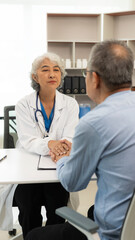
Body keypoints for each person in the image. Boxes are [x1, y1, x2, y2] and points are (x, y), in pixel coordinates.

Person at [25, 40, 135, 240]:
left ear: (94, 78)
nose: (52, 74)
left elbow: (73, 182)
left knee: (34, 236)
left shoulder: (94, 122)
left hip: (111, 233)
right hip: (129, 222)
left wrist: (63, 158)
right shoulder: (24, 103)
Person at [0, 52, 79, 238]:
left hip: (56, 164)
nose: (52, 74)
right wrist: (51, 144)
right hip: (28, 166)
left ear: (61, 76)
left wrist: (63, 145)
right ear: (35, 76)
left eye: (56, 70)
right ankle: (31, 236)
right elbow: (28, 140)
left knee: (58, 203)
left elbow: (71, 135)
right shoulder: (23, 104)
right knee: (27, 204)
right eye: (45, 70)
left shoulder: (70, 104)